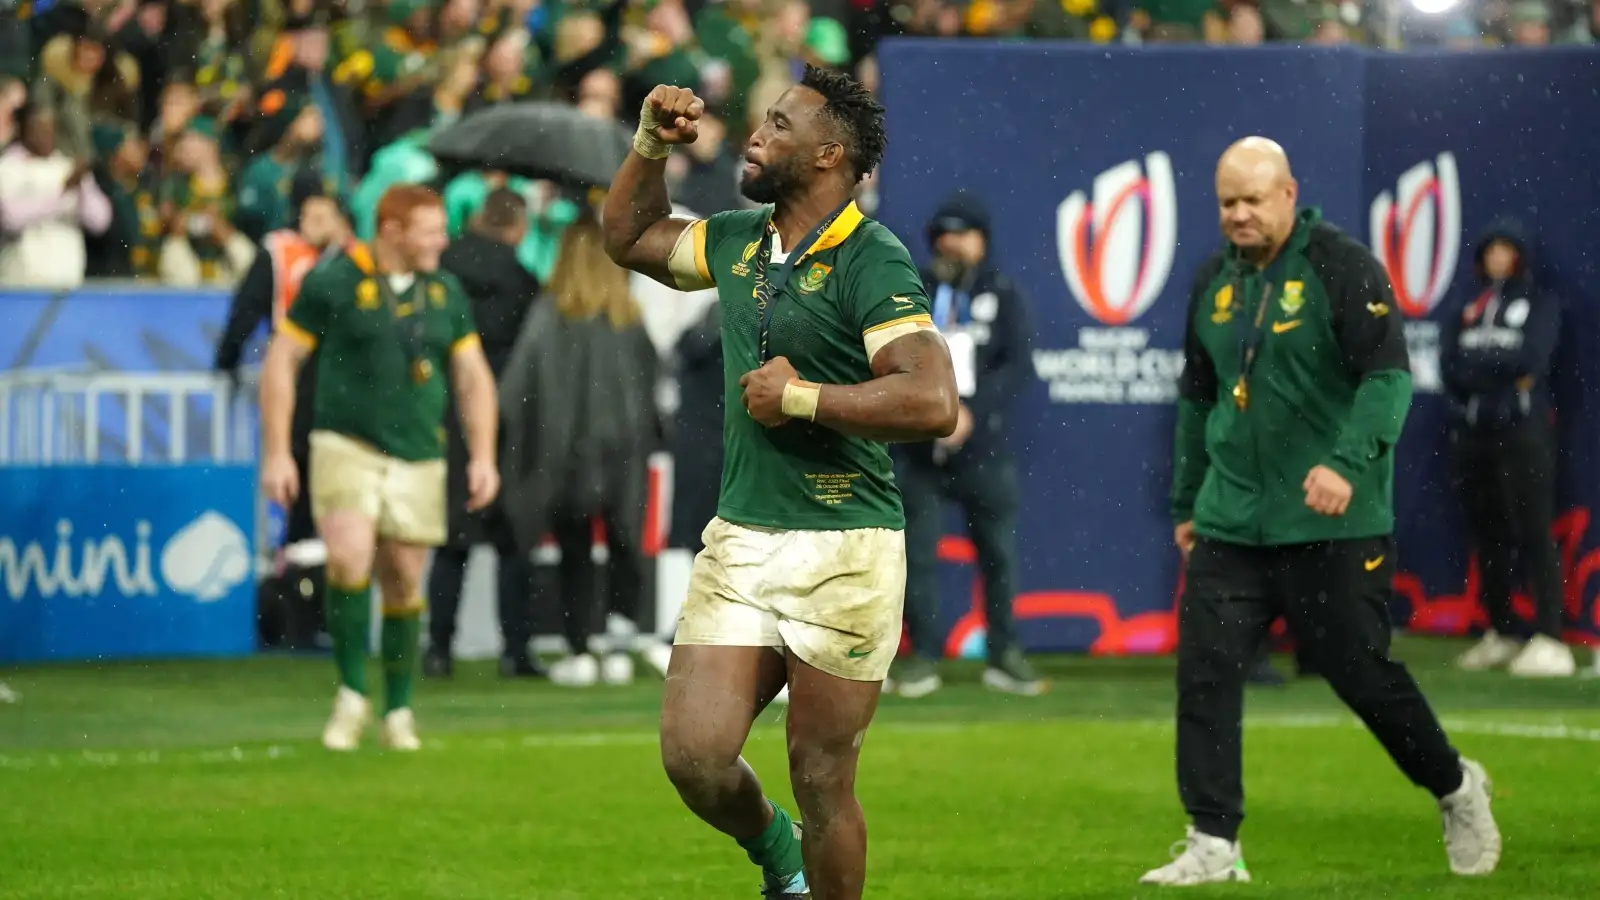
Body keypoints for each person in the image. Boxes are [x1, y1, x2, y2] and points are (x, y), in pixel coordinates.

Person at [600, 66, 959, 900]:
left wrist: (803, 398)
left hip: (848, 549)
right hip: (744, 538)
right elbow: (628, 237)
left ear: (830, 153)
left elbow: (933, 398)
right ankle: (778, 855)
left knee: (822, 778)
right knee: (693, 755)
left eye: (780, 125)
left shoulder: (871, 257)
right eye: (761, 120)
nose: (756, 135)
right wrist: (649, 143)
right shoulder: (736, 239)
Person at [1144, 137, 1500, 886]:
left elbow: (1387, 381)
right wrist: (1187, 501)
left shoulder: (1341, 266)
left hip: (1334, 523)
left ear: (1287, 194)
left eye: (1251, 200)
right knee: (1205, 675)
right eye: (1225, 202)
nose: (1237, 215)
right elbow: (1198, 398)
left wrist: (1345, 464)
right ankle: (1213, 843)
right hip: (1229, 520)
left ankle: (1455, 787)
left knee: (1361, 675)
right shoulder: (1213, 279)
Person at [259, 184, 501, 753]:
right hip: (346, 443)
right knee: (348, 555)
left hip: (419, 451)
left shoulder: (445, 291)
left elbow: (472, 377)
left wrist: (485, 455)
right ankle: (349, 693)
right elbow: (281, 360)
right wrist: (276, 450)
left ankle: (397, 708)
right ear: (391, 229)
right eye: (430, 229)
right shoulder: (333, 281)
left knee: (403, 579)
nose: (442, 240)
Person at [498, 210, 669, 688]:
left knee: (574, 547)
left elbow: (515, 392)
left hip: (562, 455)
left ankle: (581, 648)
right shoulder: (629, 321)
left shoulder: (549, 315)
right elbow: (653, 388)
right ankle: (616, 638)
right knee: (622, 545)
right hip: (622, 457)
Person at [887, 189, 1043, 699]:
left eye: (962, 235)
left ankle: (1004, 654)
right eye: (943, 236)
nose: (951, 245)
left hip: (982, 445)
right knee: (916, 555)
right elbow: (893, 353)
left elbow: (1016, 363)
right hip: (918, 445)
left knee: (998, 552)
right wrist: (923, 410)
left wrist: (974, 413)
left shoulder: (1003, 292)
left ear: (982, 241)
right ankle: (923, 656)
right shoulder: (913, 290)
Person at [426, 187, 547, 680]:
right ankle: (514, 650)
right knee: (513, 541)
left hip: (447, 414)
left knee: (451, 540)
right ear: (517, 228)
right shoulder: (523, 282)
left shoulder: (443, 271)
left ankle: (438, 650)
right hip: (508, 417)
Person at [1441, 221, 1570, 677]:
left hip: (1524, 430)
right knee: (1487, 533)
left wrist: (1484, 367)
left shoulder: (1540, 302)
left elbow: (1532, 360)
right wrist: (1496, 370)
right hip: (1473, 432)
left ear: (1520, 255)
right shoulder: (1468, 304)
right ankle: (1502, 629)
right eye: (1490, 249)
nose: (1498, 257)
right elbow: (1449, 364)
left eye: (1506, 249)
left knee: (1535, 530)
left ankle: (1551, 636)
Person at [215, 181, 352, 556]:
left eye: (324, 215)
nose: (314, 223)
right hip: (299, 372)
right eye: (308, 214)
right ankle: (300, 555)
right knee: (300, 468)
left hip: (343, 376)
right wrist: (227, 356)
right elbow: (248, 305)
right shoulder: (280, 252)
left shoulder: (356, 258)